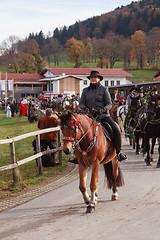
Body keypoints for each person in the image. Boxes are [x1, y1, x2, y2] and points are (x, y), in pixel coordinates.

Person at [68, 70, 127, 164]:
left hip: (103, 115)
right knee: (78, 130)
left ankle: (119, 152)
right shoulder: (85, 90)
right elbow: (81, 104)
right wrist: (86, 109)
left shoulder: (104, 89)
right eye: (91, 77)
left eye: (95, 77)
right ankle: (76, 155)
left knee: (116, 128)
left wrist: (103, 109)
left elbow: (109, 104)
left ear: (99, 79)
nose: (93, 79)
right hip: (88, 116)